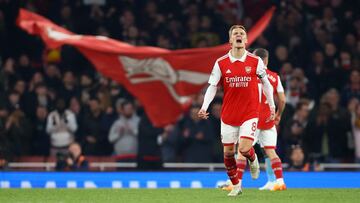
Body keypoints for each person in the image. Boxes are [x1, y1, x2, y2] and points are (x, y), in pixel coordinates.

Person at [198, 25, 275, 196]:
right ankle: (236, 186)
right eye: (235, 34)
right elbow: (212, 87)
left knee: (244, 149)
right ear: (230, 40)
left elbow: (266, 84)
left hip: (250, 113)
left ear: (246, 40)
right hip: (228, 114)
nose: (239, 35)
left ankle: (253, 159)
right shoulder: (221, 62)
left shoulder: (256, 61)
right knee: (228, 154)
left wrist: (271, 105)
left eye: (242, 33)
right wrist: (204, 107)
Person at [253, 48, 286, 191]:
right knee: (270, 151)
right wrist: (278, 114)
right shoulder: (275, 77)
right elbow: (283, 100)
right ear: (266, 60)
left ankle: (234, 182)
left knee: (240, 150)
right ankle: (276, 181)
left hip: (252, 119)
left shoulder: (250, 75)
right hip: (268, 119)